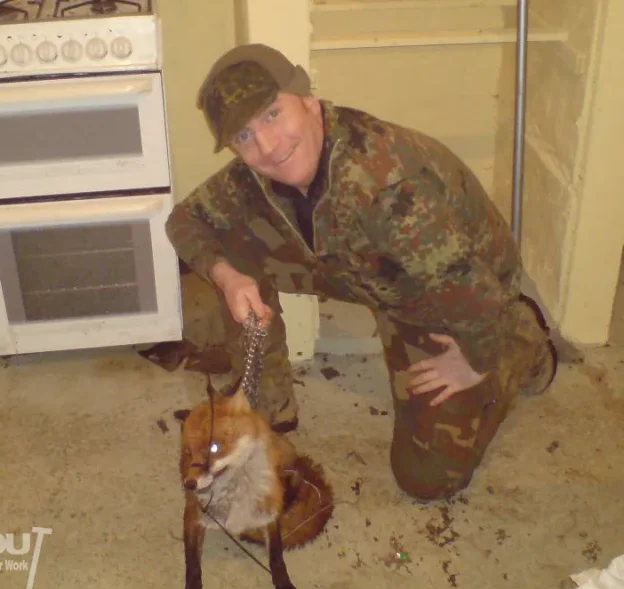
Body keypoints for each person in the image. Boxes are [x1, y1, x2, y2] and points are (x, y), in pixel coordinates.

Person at [164, 43, 557, 501]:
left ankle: (523, 341)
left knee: (427, 480)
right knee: (230, 244)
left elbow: (475, 291)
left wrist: (477, 355)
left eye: (273, 115)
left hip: (443, 296)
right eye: (244, 137)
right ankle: (268, 400)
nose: (267, 147)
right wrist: (229, 277)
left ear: (308, 102)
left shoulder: (389, 186)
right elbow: (184, 221)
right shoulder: (257, 173)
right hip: (366, 268)